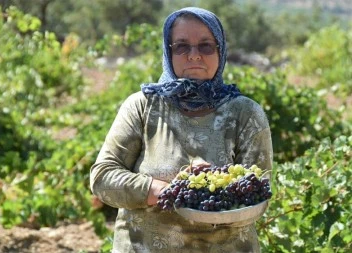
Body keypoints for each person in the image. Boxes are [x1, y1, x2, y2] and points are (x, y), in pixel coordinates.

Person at [90, 6, 273, 253]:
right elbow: (102, 177)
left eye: (206, 46)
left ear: (220, 51)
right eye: (182, 46)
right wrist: (161, 190)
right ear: (168, 51)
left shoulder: (245, 114)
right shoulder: (143, 107)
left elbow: (258, 198)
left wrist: (207, 188)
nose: (194, 55)